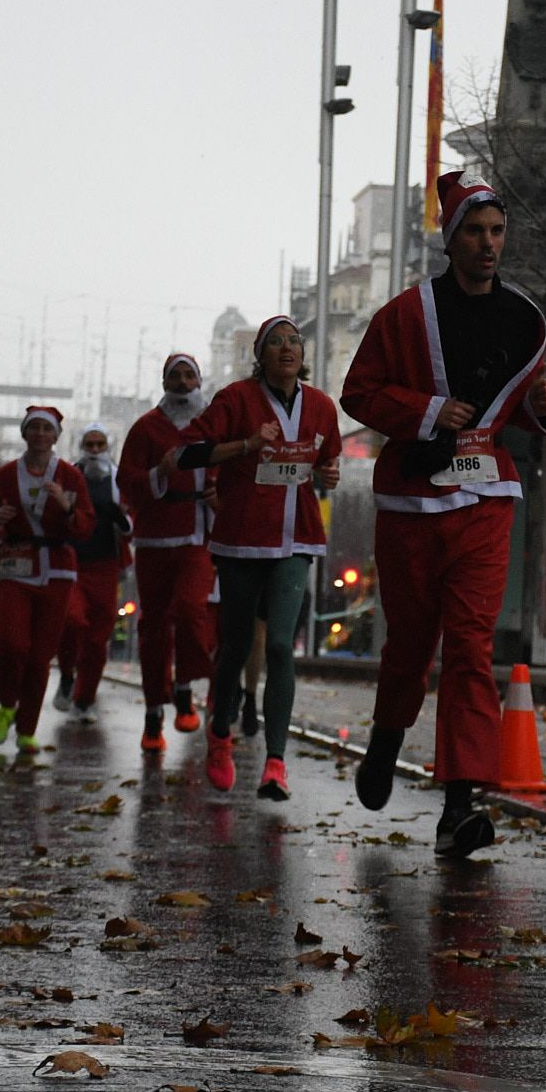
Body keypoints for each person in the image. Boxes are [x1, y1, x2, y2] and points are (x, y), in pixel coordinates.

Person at [342, 169, 546, 859]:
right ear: (450, 236)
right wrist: (427, 412)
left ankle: (460, 804)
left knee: (470, 643)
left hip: (486, 494)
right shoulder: (405, 315)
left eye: (497, 231)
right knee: (411, 639)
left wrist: (540, 407)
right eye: (475, 230)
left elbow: (511, 404)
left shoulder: (525, 319)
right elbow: (359, 392)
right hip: (413, 500)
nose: (488, 244)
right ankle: (385, 740)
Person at [164, 317, 340, 799]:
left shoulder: (322, 407)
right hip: (241, 538)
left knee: (281, 645)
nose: (287, 349)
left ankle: (276, 763)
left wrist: (327, 476)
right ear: (259, 356)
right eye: (275, 343)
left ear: (304, 354)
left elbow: (327, 461)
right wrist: (245, 446)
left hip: (297, 538)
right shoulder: (235, 399)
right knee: (237, 647)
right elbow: (185, 455)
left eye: (294, 342)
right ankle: (220, 733)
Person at [0, 405, 95, 753]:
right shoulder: (2, 476)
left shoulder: (71, 477)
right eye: (35, 428)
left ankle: (27, 728)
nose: (41, 434)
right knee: (13, 645)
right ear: (24, 434)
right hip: (16, 564)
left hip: (57, 567)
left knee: (41, 654)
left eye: (47, 429)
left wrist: (69, 507)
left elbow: (87, 526)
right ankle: (6, 706)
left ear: (56, 436)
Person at [116, 353, 219, 748]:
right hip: (155, 536)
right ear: (164, 382)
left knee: (191, 609)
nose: (181, 382)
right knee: (153, 625)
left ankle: (185, 682)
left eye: (187, 375)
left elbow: (233, 469)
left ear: (198, 381)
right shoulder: (146, 428)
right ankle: (154, 713)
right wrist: (158, 473)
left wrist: (218, 493)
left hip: (197, 534)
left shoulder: (212, 425)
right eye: (173, 376)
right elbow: (127, 479)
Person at [53, 421, 132, 726]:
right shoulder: (68, 476)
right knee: (71, 621)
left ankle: (85, 699)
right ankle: (67, 674)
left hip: (106, 565)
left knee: (98, 638)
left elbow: (131, 523)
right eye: (90, 445)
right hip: (72, 562)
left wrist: (121, 520)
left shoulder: (118, 479)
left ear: (109, 447)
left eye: (100, 445)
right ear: (81, 447)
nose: (95, 450)